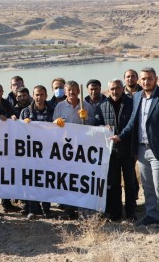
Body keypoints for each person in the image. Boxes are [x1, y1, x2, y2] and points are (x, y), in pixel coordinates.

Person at [111, 67, 159, 232]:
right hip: (142, 149)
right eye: (143, 79)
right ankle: (151, 215)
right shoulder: (137, 97)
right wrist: (120, 136)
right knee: (148, 185)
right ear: (139, 80)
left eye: (149, 78)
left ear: (156, 79)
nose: (146, 82)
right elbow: (132, 122)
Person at [95, 79, 137, 222]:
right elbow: (96, 125)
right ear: (108, 90)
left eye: (118, 88)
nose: (115, 91)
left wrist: (122, 136)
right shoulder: (102, 105)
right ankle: (116, 212)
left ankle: (131, 212)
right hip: (110, 152)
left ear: (122, 88)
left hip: (127, 150)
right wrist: (102, 128)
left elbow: (133, 123)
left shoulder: (131, 103)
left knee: (130, 183)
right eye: (112, 88)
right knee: (113, 184)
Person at [53, 80, 95, 219]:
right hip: (67, 149)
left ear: (78, 91)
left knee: (82, 180)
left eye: (74, 90)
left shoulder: (87, 106)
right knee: (69, 181)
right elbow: (53, 126)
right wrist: (56, 123)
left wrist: (87, 118)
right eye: (68, 90)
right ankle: (69, 210)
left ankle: (84, 211)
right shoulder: (59, 106)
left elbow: (94, 127)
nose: (71, 92)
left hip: (83, 149)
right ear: (65, 92)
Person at [20, 85, 54, 220]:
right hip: (31, 153)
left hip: (48, 152)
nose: (39, 97)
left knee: (46, 180)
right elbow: (19, 132)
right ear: (33, 96)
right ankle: (32, 209)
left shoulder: (52, 110)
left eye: (41, 95)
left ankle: (47, 209)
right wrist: (23, 124)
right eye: (36, 95)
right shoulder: (25, 112)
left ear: (46, 95)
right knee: (32, 181)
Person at [0, 82, 22, 214]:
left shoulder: (7, 104)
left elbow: (14, 116)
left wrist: (12, 117)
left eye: (0, 91)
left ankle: (7, 204)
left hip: (7, 145)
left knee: (5, 174)